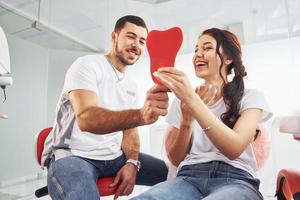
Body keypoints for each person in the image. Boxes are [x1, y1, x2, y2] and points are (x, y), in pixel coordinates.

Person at [131, 28, 272, 200]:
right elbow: (176, 159)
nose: (198, 54)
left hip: (236, 179)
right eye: (196, 49)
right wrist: (187, 121)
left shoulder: (251, 98)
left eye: (207, 48)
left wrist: (194, 102)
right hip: (188, 178)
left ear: (228, 58)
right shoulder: (183, 99)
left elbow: (234, 149)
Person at [42, 15, 169, 200]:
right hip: (74, 155)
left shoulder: (132, 84)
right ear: (114, 36)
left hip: (114, 156)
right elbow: (87, 119)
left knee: (172, 174)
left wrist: (132, 163)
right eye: (131, 36)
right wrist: (141, 115)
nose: (137, 45)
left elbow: (130, 130)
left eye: (142, 41)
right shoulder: (87, 65)